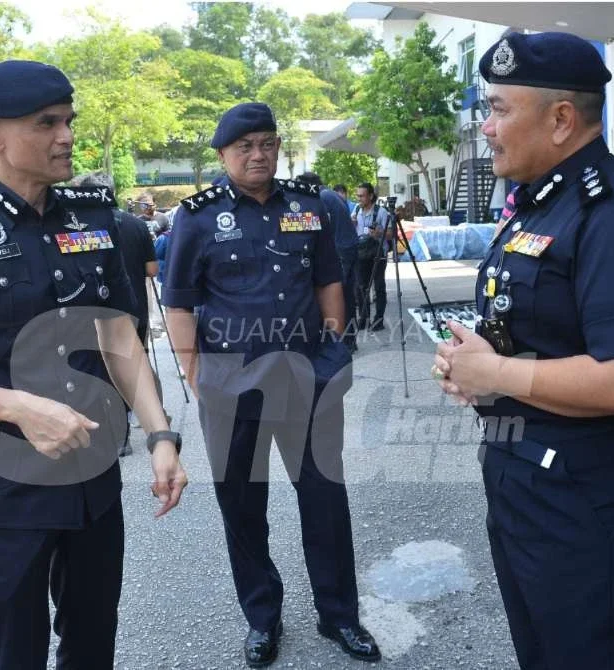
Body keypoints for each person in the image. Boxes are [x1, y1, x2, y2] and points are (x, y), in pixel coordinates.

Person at [0, 60, 187, 669]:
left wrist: (161, 434)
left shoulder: (95, 220)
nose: (67, 136)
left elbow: (120, 341)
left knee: (92, 641)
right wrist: (18, 407)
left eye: (69, 121)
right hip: (1, 491)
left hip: (92, 481)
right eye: (46, 123)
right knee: (14, 651)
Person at [433, 32, 614, 669]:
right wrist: (478, 370)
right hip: (529, 478)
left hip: (587, 497)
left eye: (499, 109)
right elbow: (541, 336)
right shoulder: (542, 202)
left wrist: (496, 370)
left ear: (562, 118)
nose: (486, 127)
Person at [161, 102, 380, 667]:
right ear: (222, 155)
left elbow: (330, 279)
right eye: (245, 148)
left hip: (308, 377)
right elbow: (179, 303)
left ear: (278, 147)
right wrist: (196, 374)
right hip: (231, 388)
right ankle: (263, 618)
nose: (258, 155)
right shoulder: (197, 216)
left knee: (325, 499)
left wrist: (334, 346)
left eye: (267, 144)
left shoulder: (309, 207)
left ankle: (339, 616)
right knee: (242, 504)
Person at [80, 172, 161, 457]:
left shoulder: (81, 228)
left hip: (97, 311)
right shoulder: (135, 225)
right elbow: (153, 270)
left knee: (105, 369)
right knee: (133, 364)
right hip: (134, 305)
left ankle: (114, 429)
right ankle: (129, 426)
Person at [298, 171, 360, 352]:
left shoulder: (322, 197)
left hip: (341, 250)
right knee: (348, 295)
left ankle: (344, 341)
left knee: (339, 296)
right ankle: (350, 340)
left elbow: (314, 225)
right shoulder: (331, 194)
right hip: (348, 247)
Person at [353, 182, 389, 331]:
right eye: (358, 195)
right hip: (361, 254)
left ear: (370, 196)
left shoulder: (381, 212)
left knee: (379, 286)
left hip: (378, 254)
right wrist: (352, 224)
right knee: (361, 287)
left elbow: (392, 234)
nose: (359, 199)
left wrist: (379, 233)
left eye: (361, 196)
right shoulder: (356, 210)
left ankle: (378, 320)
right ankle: (363, 319)